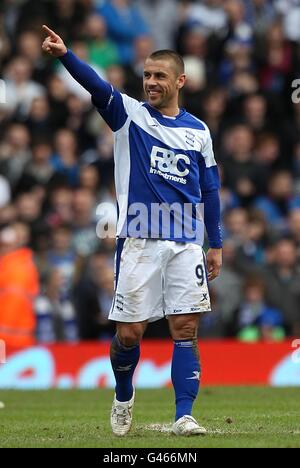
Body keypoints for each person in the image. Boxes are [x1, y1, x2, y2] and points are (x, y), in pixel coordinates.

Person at [42, 25, 223, 437]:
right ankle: (124, 394)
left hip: (186, 243)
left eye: (159, 76)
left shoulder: (199, 132)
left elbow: (210, 189)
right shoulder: (129, 116)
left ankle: (184, 415)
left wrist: (217, 244)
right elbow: (95, 84)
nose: (151, 83)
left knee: (186, 328)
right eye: (146, 76)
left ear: (180, 81)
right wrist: (66, 55)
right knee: (129, 333)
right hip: (139, 241)